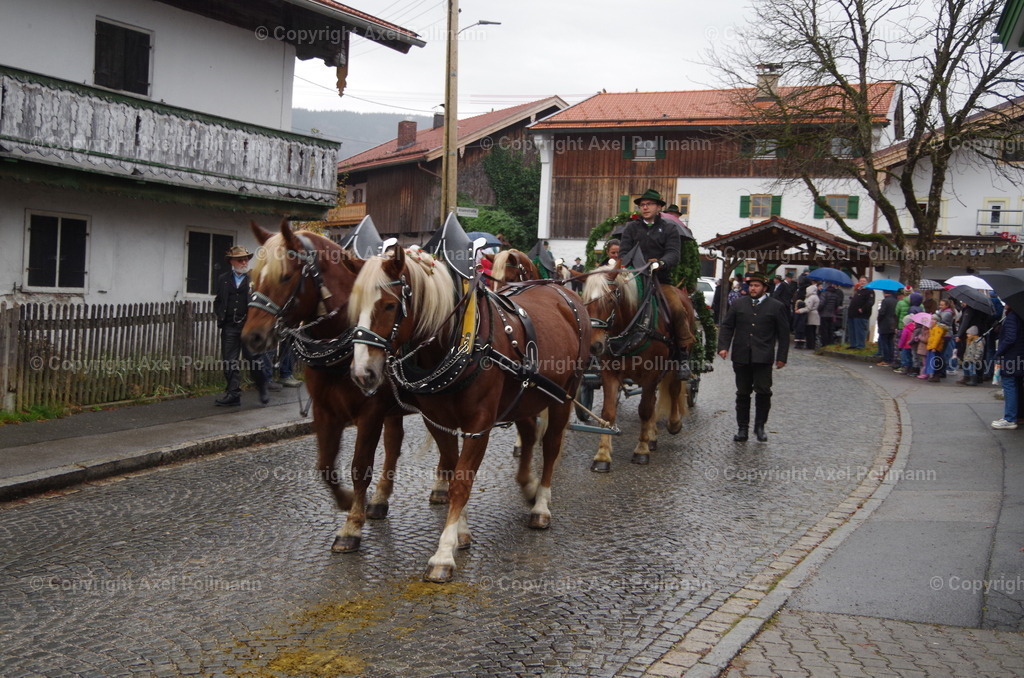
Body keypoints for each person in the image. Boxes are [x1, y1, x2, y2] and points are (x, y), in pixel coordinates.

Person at [619, 189, 694, 379]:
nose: (645, 207)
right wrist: (633, 264)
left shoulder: (670, 229)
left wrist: (660, 263)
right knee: (611, 301)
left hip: (660, 280)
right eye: (642, 205)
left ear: (659, 207)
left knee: (677, 308)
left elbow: (673, 254)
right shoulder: (631, 228)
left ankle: (682, 355)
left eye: (649, 204)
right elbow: (623, 252)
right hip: (634, 278)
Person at [717, 272, 790, 442]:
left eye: (757, 286)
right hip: (741, 356)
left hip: (763, 357)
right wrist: (723, 347)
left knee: (763, 392)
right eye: (751, 286)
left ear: (765, 288)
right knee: (742, 393)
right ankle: (742, 428)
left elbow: (784, 335)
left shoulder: (776, 306)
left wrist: (781, 357)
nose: (753, 288)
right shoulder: (738, 304)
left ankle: (760, 426)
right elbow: (727, 326)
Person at [213, 245, 268, 406]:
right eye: (240, 260)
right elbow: (218, 300)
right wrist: (220, 314)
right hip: (229, 326)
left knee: (254, 360)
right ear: (232, 262)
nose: (244, 262)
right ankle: (233, 394)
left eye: (246, 259)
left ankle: (263, 387)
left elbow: (263, 301)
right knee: (230, 361)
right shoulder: (223, 278)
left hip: (249, 327)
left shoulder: (255, 278)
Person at [992, 305, 1024, 430]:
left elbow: (1010, 338)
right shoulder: (1020, 316)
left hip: (1011, 357)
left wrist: (999, 351)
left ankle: (1010, 418)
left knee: (1009, 385)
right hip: (1019, 355)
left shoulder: (1012, 317)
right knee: (1017, 386)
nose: (1004, 304)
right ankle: (1018, 415)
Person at [847, 277, 873, 349]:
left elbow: (870, 302)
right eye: (861, 281)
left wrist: (863, 309)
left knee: (860, 331)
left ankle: (860, 345)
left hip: (861, 315)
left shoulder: (869, 291)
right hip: (852, 314)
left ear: (867, 282)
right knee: (852, 330)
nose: (862, 282)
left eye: (864, 281)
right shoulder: (858, 290)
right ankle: (853, 344)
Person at [794, 282, 820, 351]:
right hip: (814, 315)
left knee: (810, 332)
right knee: (812, 331)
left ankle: (810, 345)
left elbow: (808, 308)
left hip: (811, 316)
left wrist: (800, 310)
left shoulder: (811, 298)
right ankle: (811, 345)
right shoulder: (815, 296)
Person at [876, 290, 899, 366]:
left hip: (885, 323)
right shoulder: (896, 301)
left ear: (884, 293)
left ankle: (886, 359)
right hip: (893, 324)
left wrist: (879, 319)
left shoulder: (885, 301)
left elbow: (882, 312)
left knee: (884, 342)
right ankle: (891, 359)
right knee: (890, 342)